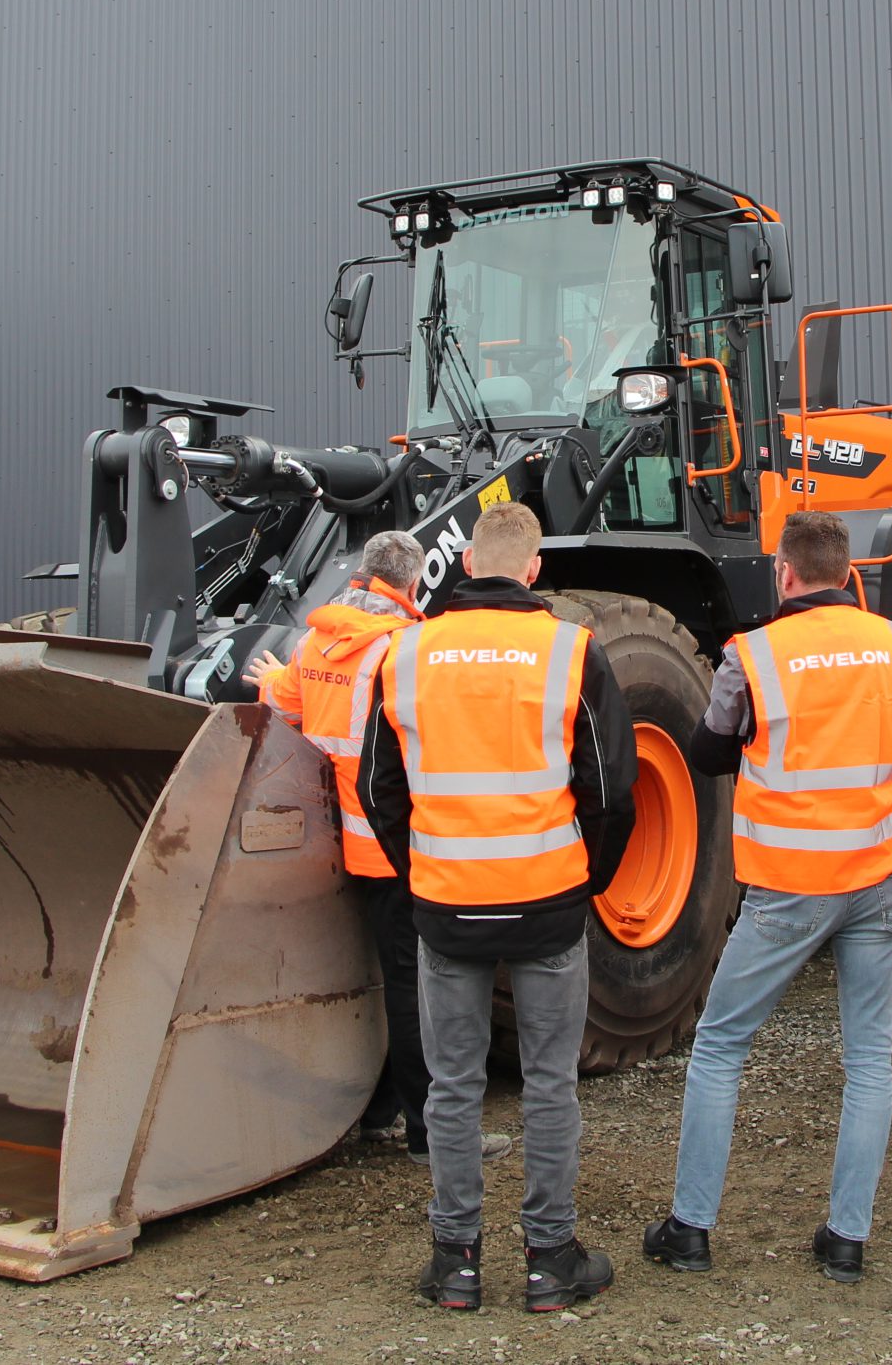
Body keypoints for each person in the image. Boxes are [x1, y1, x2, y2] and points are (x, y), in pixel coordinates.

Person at [357, 501, 636, 1315]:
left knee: (452, 1086)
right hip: (547, 903)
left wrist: (421, 875)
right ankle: (551, 1260)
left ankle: (455, 1263)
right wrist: (588, 877)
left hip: (446, 905)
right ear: (534, 568)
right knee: (550, 1084)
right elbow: (613, 789)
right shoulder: (570, 649)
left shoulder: (405, 655)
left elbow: (380, 788)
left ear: (467, 562)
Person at [642, 510, 892, 1286]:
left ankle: (691, 1226)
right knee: (869, 1056)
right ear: (849, 573)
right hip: (881, 878)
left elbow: (707, 748)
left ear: (784, 572)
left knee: (721, 1046)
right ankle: (846, 1239)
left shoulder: (755, 655)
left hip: (791, 887)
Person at [246, 531, 511, 1168]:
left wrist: (272, 681)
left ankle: (378, 1109)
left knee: (385, 978)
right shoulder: (402, 651)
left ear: (362, 575)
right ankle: (432, 1135)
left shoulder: (315, 642)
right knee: (417, 988)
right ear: (415, 586)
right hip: (399, 847)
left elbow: (289, 709)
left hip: (336, 844)